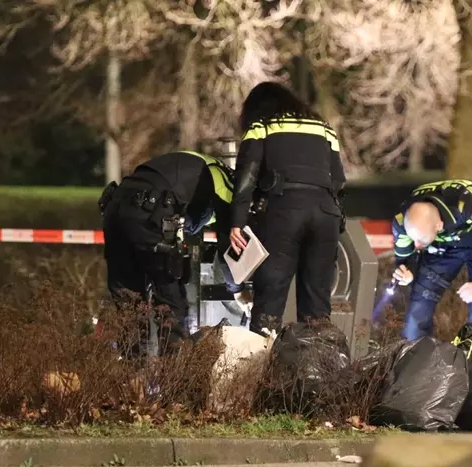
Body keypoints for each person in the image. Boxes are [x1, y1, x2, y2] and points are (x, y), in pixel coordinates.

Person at [98, 151, 252, 356]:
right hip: (150, 211)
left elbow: (187, 219)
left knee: (130, 303)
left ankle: (132, 379)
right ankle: (174, 380)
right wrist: (238, 290)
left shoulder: (188, 166)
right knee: (170, 306)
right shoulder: (225, 182)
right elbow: (228, 248)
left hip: (116, 208)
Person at [228, 81, 346, 334]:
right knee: (317, 304)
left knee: (270, 298)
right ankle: (318, 367)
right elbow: (338, 179)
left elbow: (245, 179)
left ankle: (260, 366)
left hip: (282, 211)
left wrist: (237, 222)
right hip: (326, 214)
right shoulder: (324, 129)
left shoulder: (261, 127)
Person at [390, 179, 472, 340]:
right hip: (442, 248)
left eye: (421, 239)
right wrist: (407, 271)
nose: (417, 244)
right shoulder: (403, 222)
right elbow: (404, 259)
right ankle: (416, 355)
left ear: (439, 226)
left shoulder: (467, 206)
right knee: (419, 304)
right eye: (413, 239)